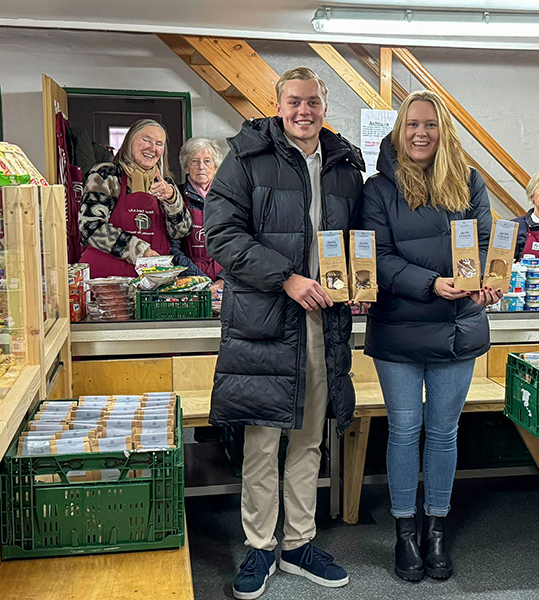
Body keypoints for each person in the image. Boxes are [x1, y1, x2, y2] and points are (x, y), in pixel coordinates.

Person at [204, 67, 364, 600]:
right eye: (294, 101)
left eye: (313, 102)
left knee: (308, 439)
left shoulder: (344, 165)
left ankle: (297, 544)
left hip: (325, 319)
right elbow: (222, 235)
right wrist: (286, 278)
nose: (304, 111)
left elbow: (358, 239)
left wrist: (360, 284)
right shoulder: (246, 158)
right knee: (261, 439)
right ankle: (258, 546)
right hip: (264, 321)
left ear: (325, 106)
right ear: (278, 106)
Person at [360, 90, 499, 583]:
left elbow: (483, 245)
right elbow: (375, 256)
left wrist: (488, 282)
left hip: (459, 326)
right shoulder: (378, 189)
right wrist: (430, 284)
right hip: (399, 325)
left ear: (444, 131)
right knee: (404, 431)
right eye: (412, 124)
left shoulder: (468, 181)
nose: (421, 133)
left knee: (442, 433)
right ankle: (404, 531)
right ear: (399, 130)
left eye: (431, 125)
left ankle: (435, 528)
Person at [78, 119, 191, 277]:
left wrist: (172, 200)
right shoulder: (106, 175)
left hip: (152, 282)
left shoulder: (165, 183)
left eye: (159, 143)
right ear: (130, 141)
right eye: (146, 140)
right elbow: (90, 227)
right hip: (107, 280)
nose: (152, 148)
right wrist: (140, 251)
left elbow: (181, 232)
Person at [171, 137, 225, 292]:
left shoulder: (228, 198)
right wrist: (199, 279)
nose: (201, 167)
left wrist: (224, 279)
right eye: (194, 161)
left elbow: (239, 245)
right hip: (189, 282)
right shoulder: (176, 197)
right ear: (186, 166)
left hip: (225, 284)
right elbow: (172, 248)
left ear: (215, 166)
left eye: (207, 161)